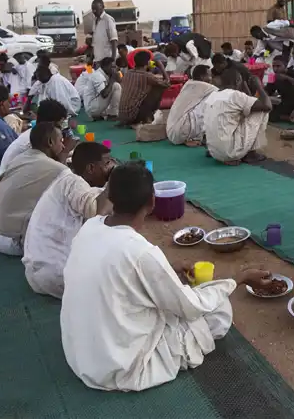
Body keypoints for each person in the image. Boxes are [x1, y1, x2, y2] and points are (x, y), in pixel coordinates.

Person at [60, 162, 273, 392]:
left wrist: (167, 269)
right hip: (119, 366)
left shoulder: (90, 227)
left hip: (81, 355)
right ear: (152, 202)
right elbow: (190, 307)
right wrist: (239, 278)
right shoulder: (141, 252)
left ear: (110, 195)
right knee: (219, 310)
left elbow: (122, 270)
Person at [22, 142, 114, 298]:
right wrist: (116, 179)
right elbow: (97, 211)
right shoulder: (71, 182)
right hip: (56, 274)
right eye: (107, 164)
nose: (110, 168)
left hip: (40, 272)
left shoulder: (73, 184)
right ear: (91, 168)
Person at [0, 122, 72, 256]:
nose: (63, 146)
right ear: (50, 142)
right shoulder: (57, 169)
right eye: (61, 141)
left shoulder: (20, 158)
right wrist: (65, 155)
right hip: (14, 241)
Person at [204, 80, 272, 165]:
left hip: (213, 152)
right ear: (238, 81)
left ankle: (221, 149)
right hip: (229, 154)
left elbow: (250, 104)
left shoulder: (213, 95)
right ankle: (251, 154)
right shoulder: (235, 95)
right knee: (261, 111)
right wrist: (258, 86)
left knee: (245, 112)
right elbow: (267, 106)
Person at [0, 99, 69, 175]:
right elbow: (59, 173)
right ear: (52, 124)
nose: (62, 128)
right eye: (60, 124)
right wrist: (65, 152)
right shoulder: (34, 142)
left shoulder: (35, 134)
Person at [166, 65, 219, 146]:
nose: (211, 78)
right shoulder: (207, 88)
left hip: (172, 133)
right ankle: (194, 137)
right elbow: (223, 93)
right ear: (202, 76)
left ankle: (193, 136)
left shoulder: (188, 84)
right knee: (214, 100)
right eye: (210, 75)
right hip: (181, 131)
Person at [118, 51, 170, 126]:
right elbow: (167, 84)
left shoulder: (128, 73)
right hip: (133, 116)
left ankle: (146, 116)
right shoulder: (146, 76)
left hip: (122, 115)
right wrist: (161, 67)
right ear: (148, 62)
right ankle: (147, 117)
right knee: (158, 88)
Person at [77, 55, 122, 121]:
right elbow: (104, 94)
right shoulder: (96, 74)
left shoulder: (101, 73)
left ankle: (103, 114)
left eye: (115, 67)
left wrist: (116, 77)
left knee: (115, 86)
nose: (114, 69)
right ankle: (113, 114)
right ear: (104, 67)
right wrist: (112, 80)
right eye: (112, 67)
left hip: (91, 102)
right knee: (116, 86)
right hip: (89, 104)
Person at [265, 56, 294, 121]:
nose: (275, 69)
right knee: (266, 114)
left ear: (285, 65)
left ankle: (293, 116)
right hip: (285, 103)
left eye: (278, 66)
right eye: (273, 66)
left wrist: (287, 78)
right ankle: (288, 118)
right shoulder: (272, 76)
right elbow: (267, 91)